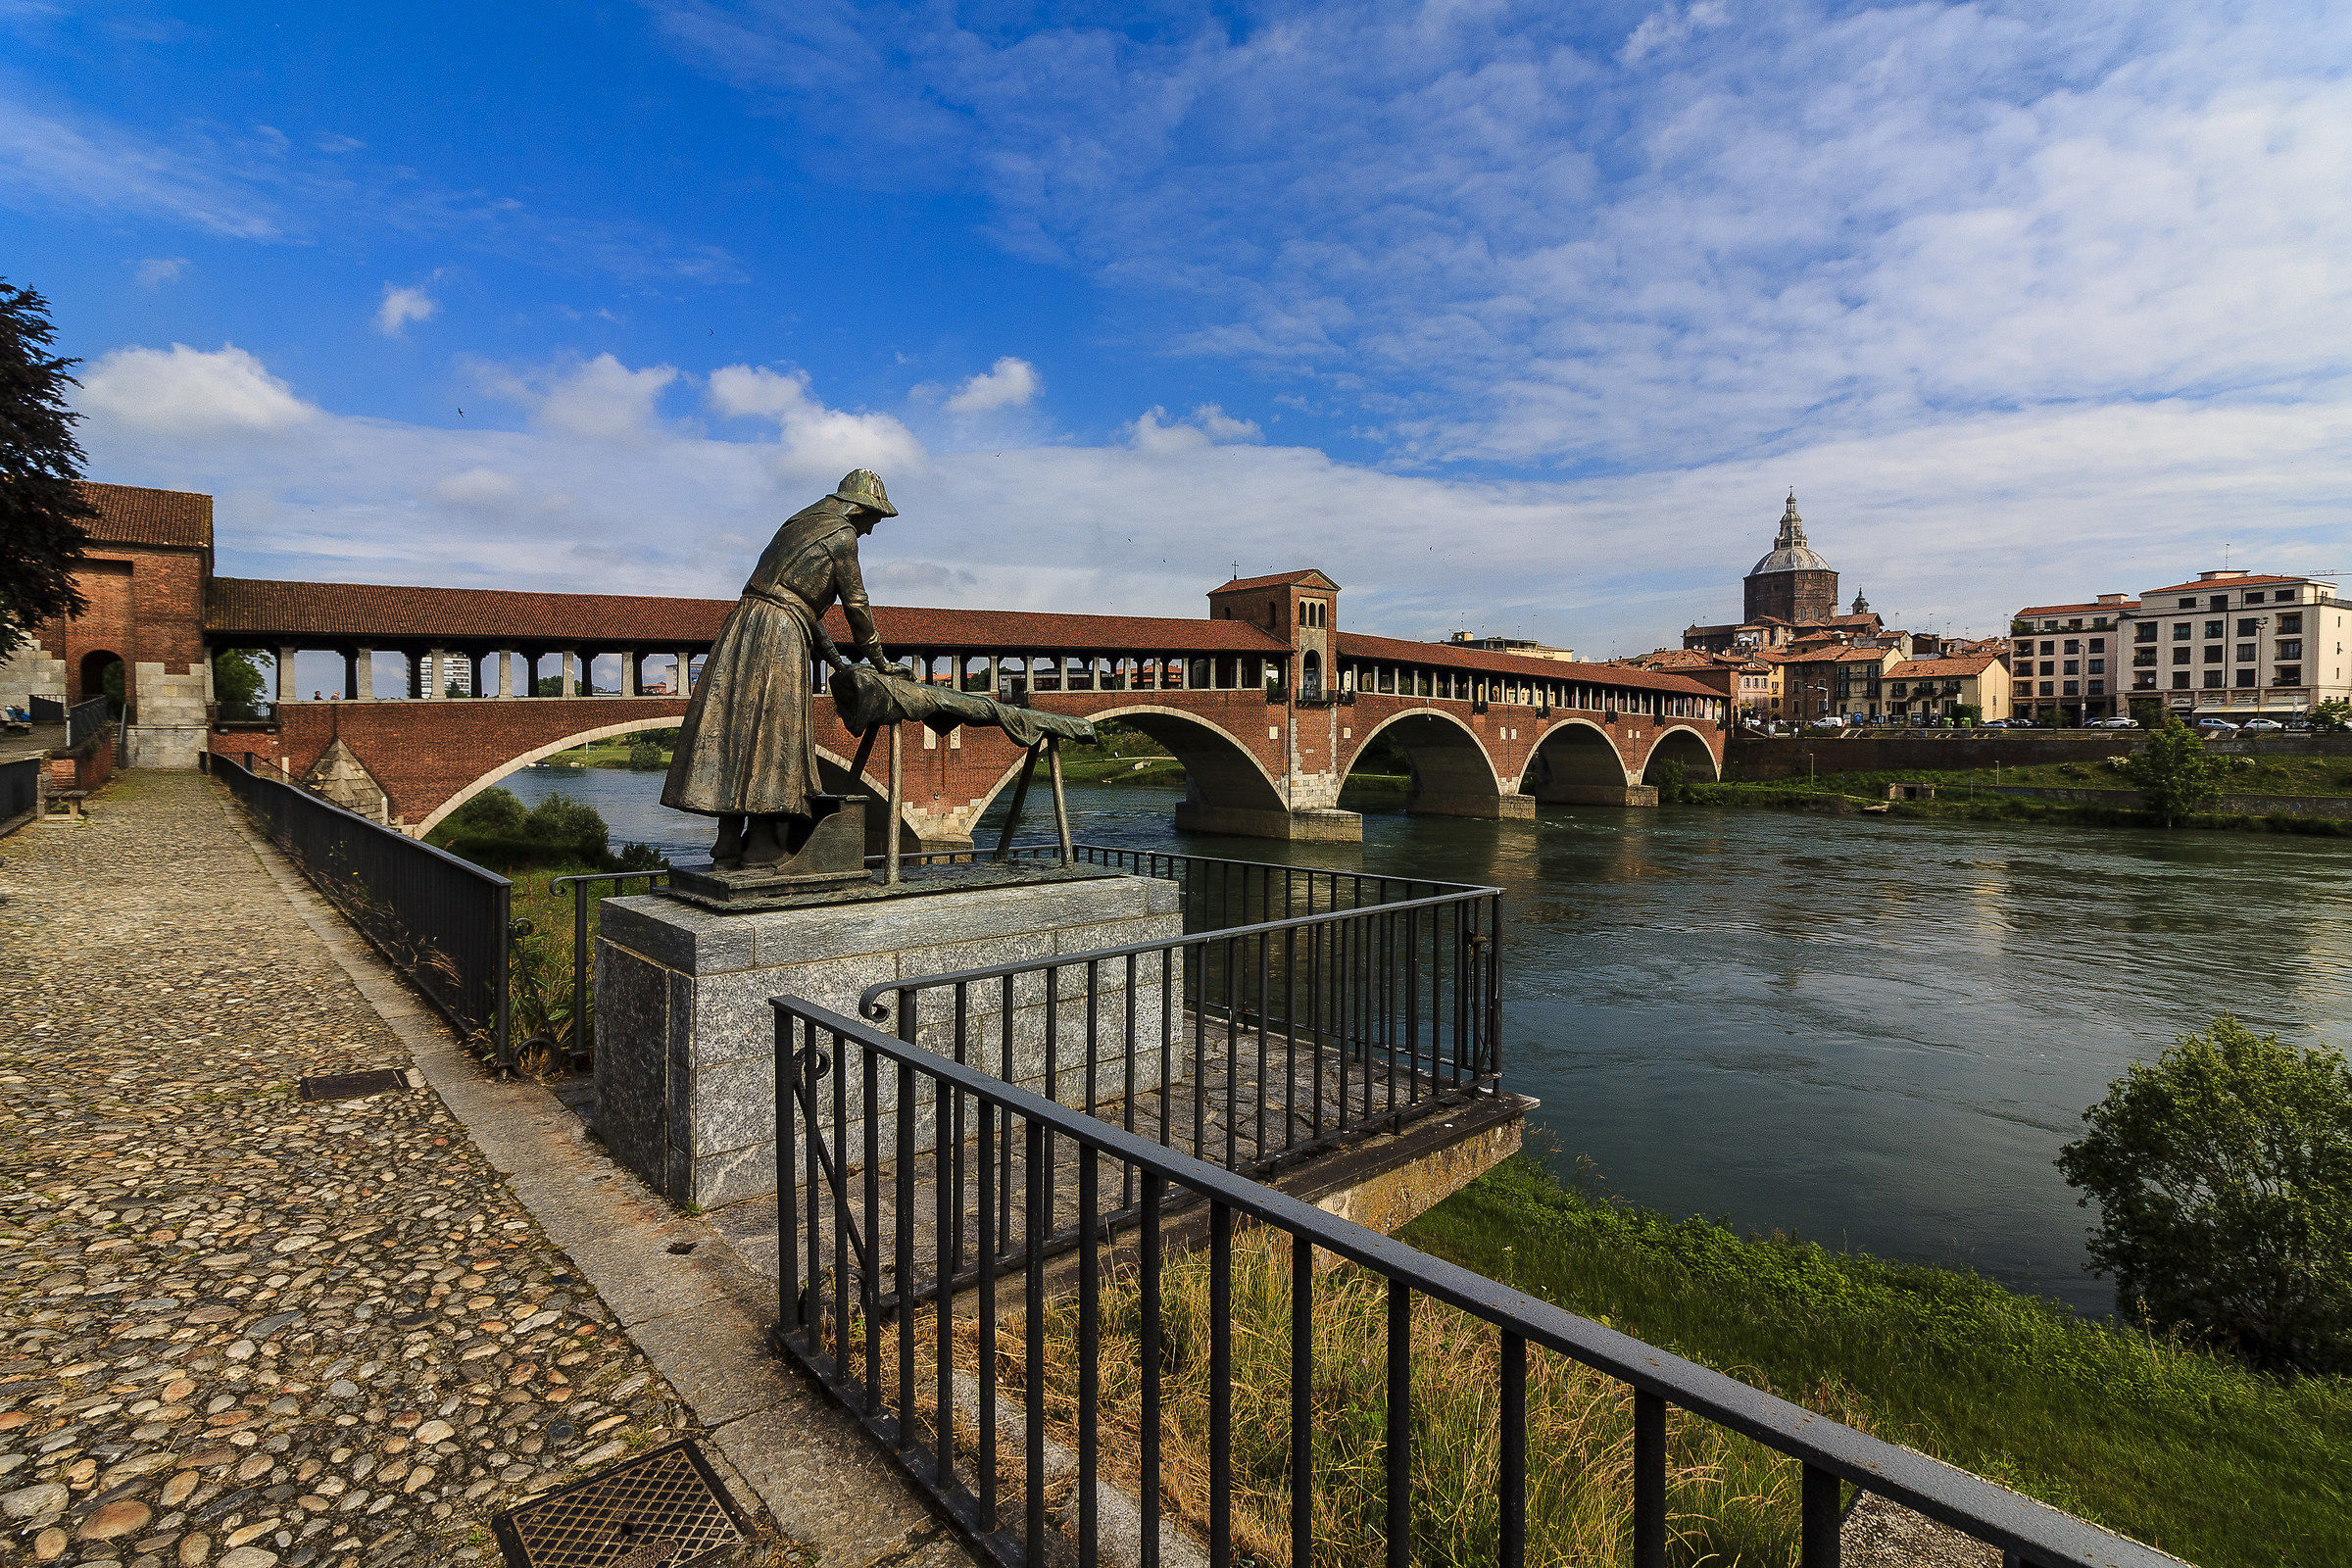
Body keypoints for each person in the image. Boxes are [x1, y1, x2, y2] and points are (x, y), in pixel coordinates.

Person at [662, 468, 901, 869]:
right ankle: (762, 845)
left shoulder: (795, 526)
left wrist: (836, 661)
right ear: (858, 508)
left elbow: (797, 600)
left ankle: (726, 843)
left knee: (736, 732)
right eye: (871, 522)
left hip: (743, 627)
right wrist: (881, 662)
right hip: (780, 636)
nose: (870, 532)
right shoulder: (841, 536)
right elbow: (856, 605)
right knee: (776, 737)